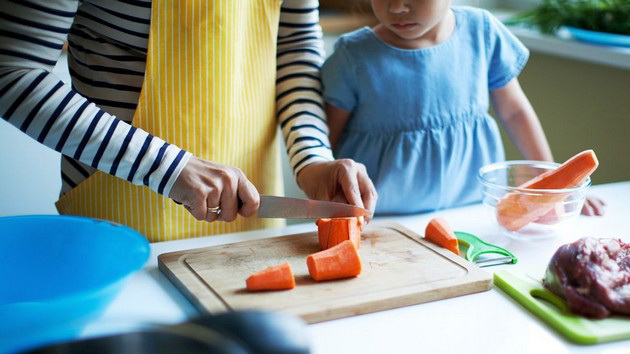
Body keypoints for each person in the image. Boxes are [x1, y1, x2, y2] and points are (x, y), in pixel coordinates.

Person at [0, 0, 377, 242]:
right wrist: (167, 166)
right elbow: (12, 70)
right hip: (117, 223)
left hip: (249, 224)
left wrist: (313, 156)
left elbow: (293, 46)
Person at [321, 0, 604, 215]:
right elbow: (325, 141)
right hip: (378, 216)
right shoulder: (353, 55)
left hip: (469, 210)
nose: (396, 7)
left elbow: (515, 112)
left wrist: (555, 187)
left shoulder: (481, 31)